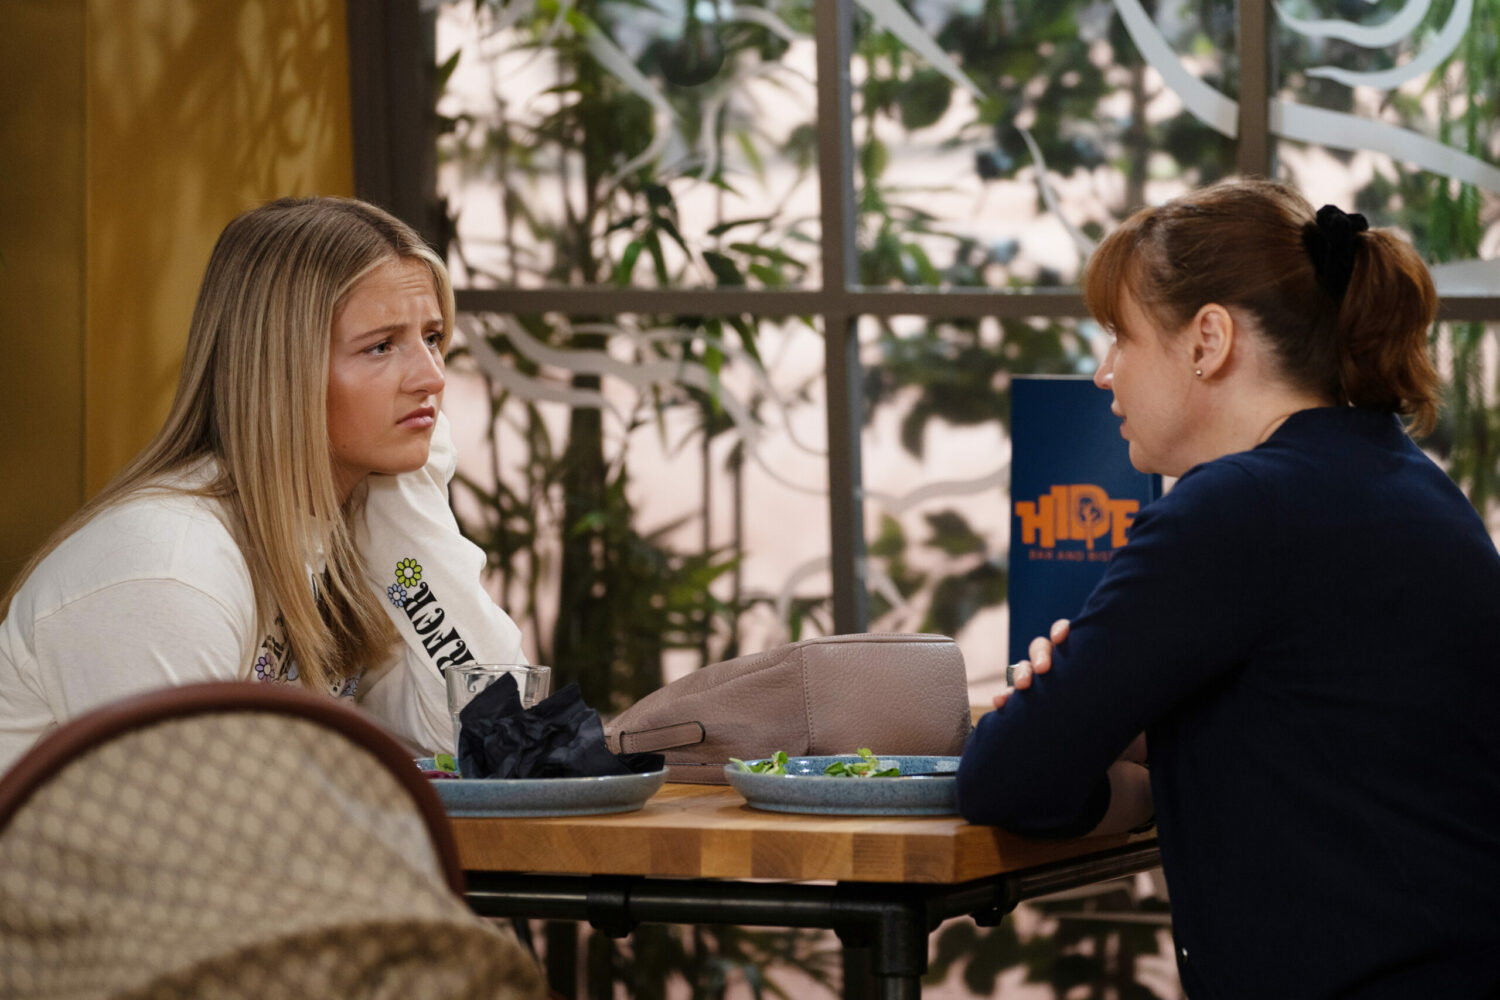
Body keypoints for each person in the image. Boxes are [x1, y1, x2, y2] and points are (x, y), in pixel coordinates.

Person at [957, 179, 1500, 997]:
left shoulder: (1235, 509)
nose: (1105, 374)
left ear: (1208, 339)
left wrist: (1088, 728)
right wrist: (1130, 738)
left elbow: (1006, 775)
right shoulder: (1405, 480)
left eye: (1121, 337)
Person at [0, 197, 525, 771]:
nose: (432, 376)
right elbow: (202, 848)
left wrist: (409, 491)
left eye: (431, 337)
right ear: (283, 371)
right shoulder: (171, 571)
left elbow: (486, 731)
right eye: (381, 346)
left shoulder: (333, 542)